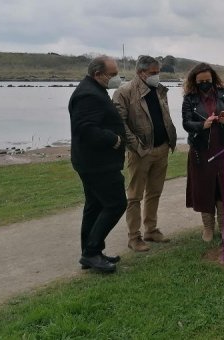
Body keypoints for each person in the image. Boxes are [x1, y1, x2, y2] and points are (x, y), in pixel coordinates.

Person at [113, 55, 177, 252]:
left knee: (155, 192)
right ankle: (134, 237)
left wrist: (169, 141)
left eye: (158, 73)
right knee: (134, 196)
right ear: (140, 72)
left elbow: (164, 116)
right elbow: (120, 124)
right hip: (140, 152)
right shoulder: (124, 92)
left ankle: (151, 229)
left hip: (162, 148)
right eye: (153, 73)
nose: (156, 76)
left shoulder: (159, 90)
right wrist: (137, 146)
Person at [68, 55, 127, 273]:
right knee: (116, 203)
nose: (116, 78)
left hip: (92, 162)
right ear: (97, 74)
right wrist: (114, 139)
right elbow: (85, 128)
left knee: (94, 206)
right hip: (98, 164)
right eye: (112, 74)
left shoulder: (93, 90)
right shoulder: (88, 95)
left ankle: (90, 253)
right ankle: (91, 252)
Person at [182, 63, 224, 242]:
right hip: (201, 151)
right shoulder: (190, 98)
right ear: (195, 81)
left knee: (222, 188)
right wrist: (201, 125)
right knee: (204, 188)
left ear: (213, 78)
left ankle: (223, 226)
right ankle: (208, 227)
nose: (205, 83)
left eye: (208, 80)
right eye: (201, 81)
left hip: (223, 148)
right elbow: (186, 123)